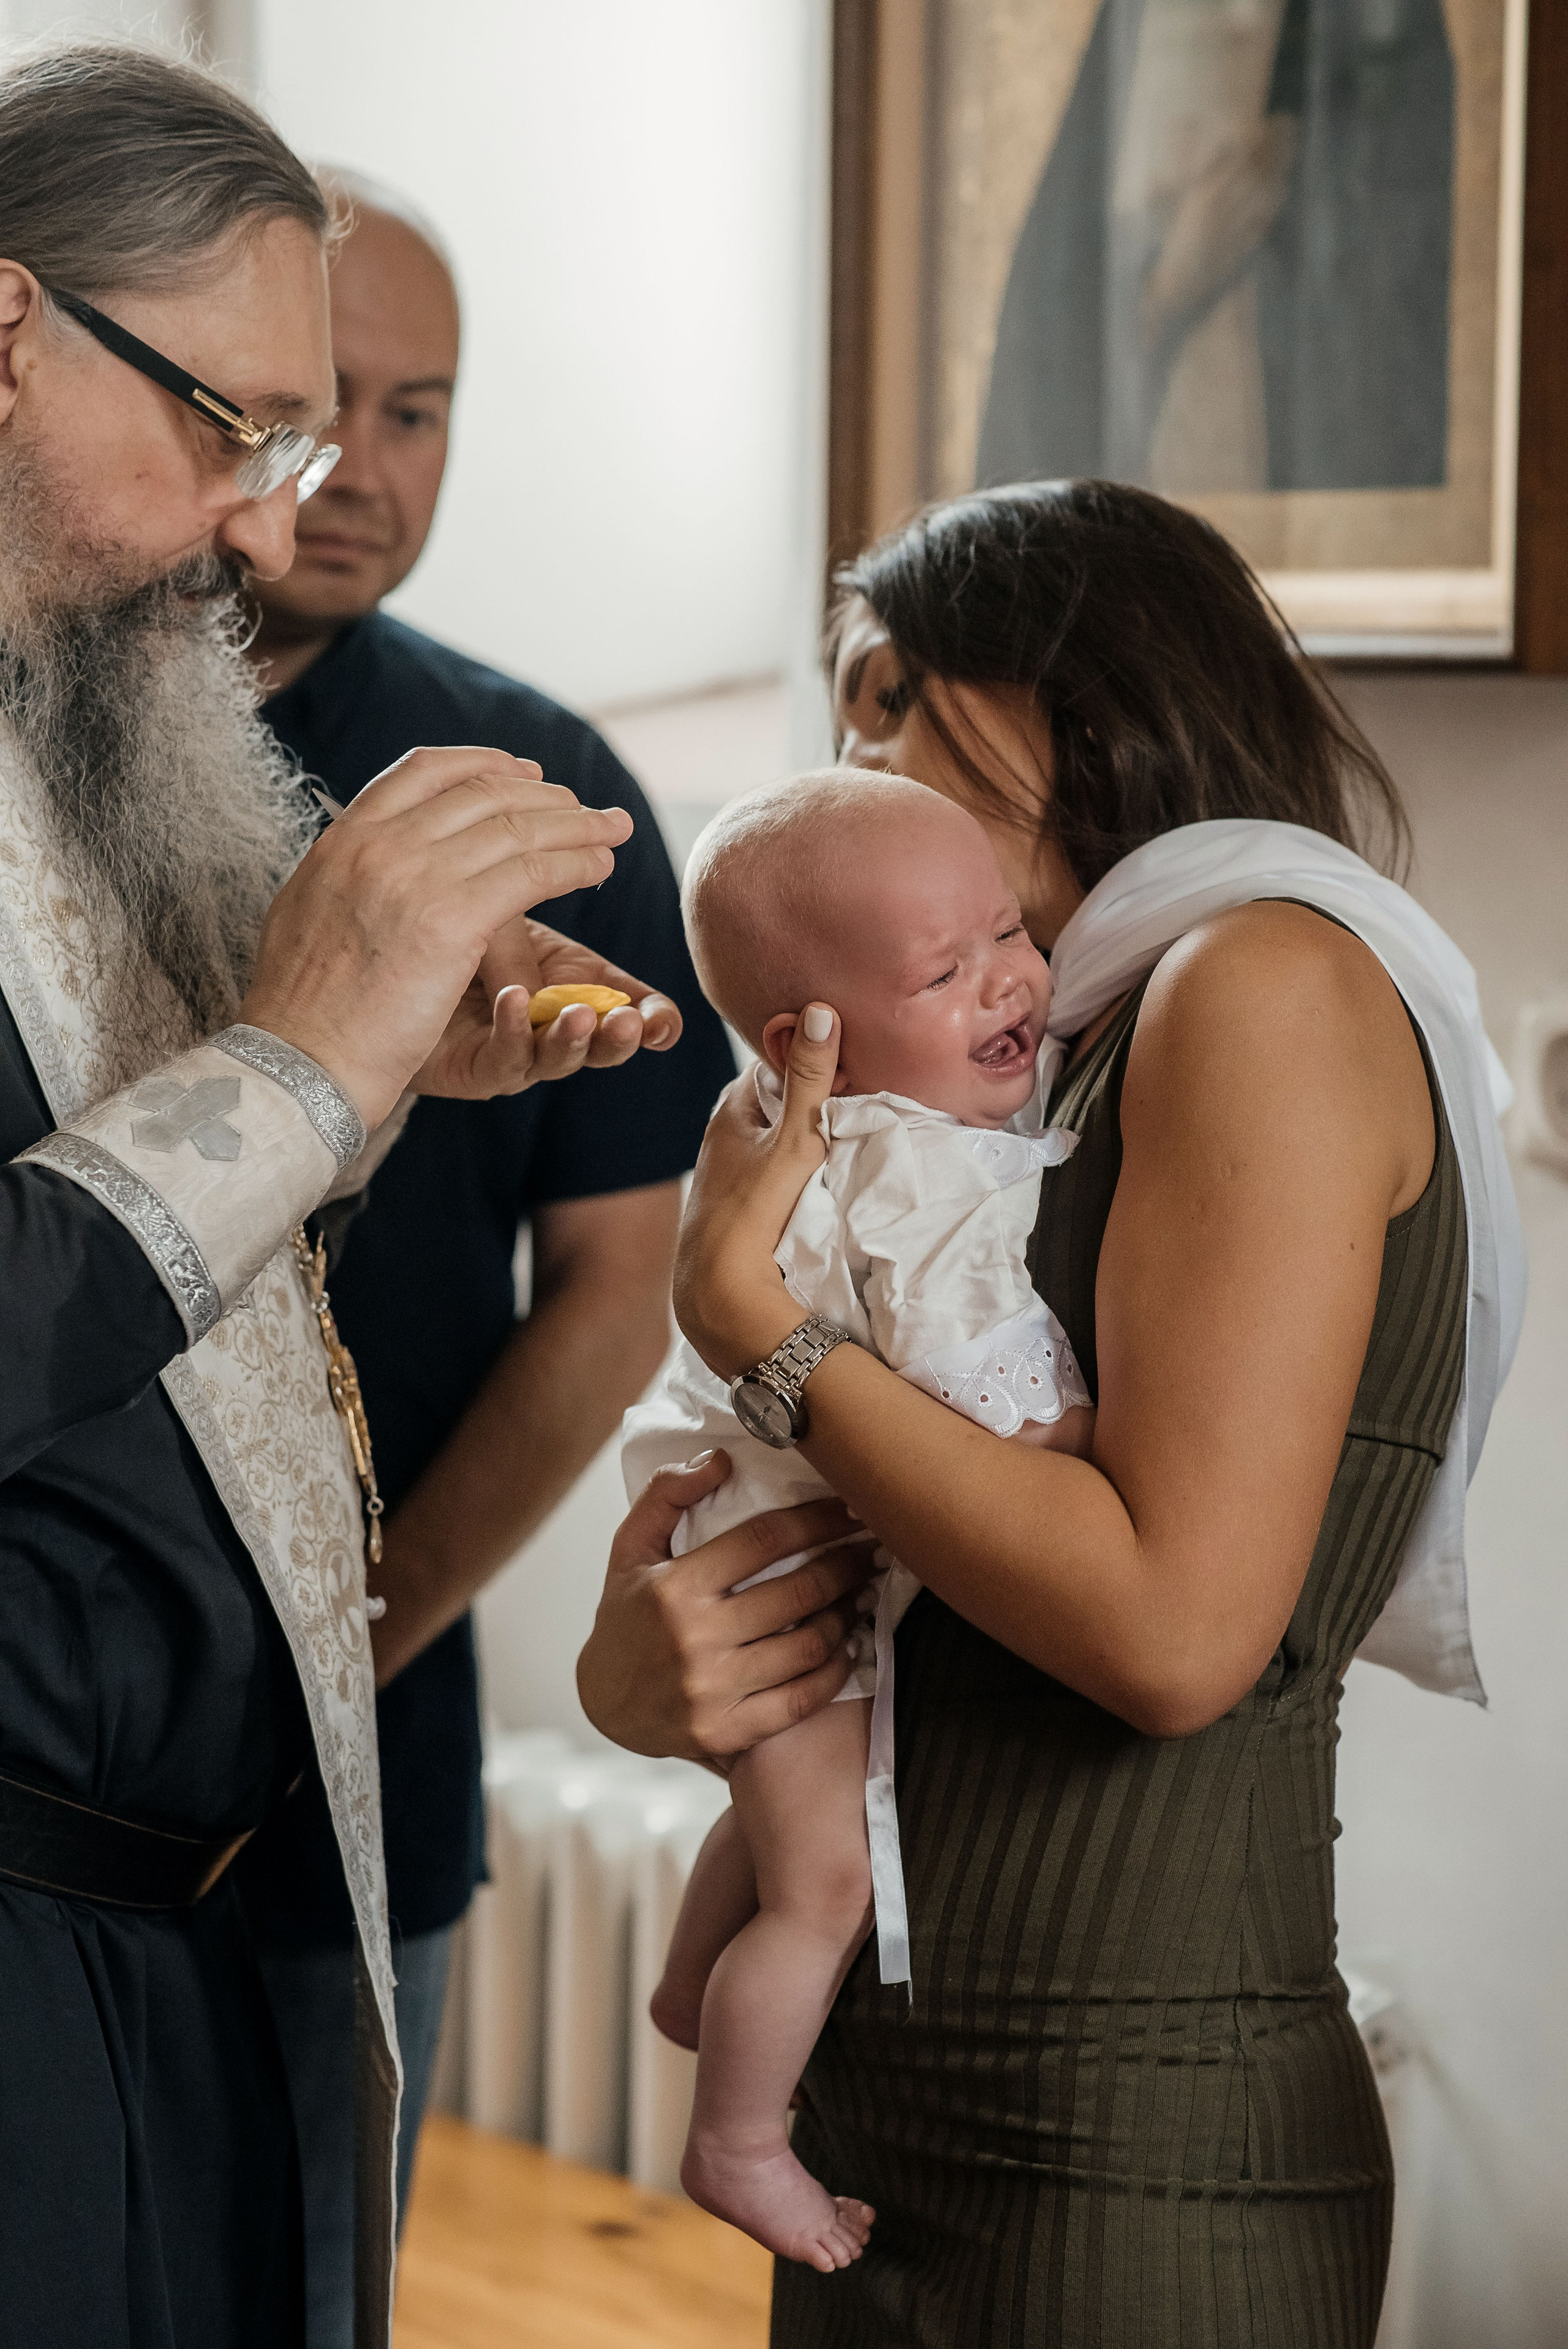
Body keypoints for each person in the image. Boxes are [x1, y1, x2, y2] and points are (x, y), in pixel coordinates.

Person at [579, 480, 1524, 2347]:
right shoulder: (1034, 1069)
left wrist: (755, 1331)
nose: (849, 754)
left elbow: (1171, 1636)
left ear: (1067, 700)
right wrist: (654, 1674)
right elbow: (907, 1574)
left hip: (1120, 2140)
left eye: (883, 700)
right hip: (892, 2114)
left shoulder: (1263, 980)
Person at [0, 45, 680, 2349]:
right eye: (233, 424)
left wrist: (383, 1078)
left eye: (335, 439)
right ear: (6, 331)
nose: (264, 523)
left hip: (189, 1901)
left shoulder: (66, 714)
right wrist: (302, 1059)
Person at [229, 170, 736, 2340]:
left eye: (421, 408)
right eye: (316, 397)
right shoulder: (32, 749)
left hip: (364, 1740)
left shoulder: (541, 791)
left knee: (324, 2284)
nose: (365, 464)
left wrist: (369, 1624)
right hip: (46, 1711)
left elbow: (618, 1296)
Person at [624, 768, 1094, 2273]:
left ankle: (699, 1984)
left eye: (1010, 934)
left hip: (729, 1527)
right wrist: (1103, 1430)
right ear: (805, 1036)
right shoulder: (927, 1175)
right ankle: (735, 2137)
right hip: (782, 1567)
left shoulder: (768, 1126)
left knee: (774, 1811)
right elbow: (1004, 1427)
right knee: (825, 1879)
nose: (1008, 982)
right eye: (943, 973)